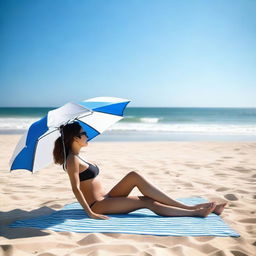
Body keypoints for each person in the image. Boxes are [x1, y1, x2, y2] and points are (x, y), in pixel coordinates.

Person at [53, 121, 227, 220]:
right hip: (98, 205)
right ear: (75, 138)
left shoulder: (79, 156)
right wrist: (90, 213)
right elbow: (75, 189)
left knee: (133, 175)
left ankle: (191, 206)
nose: (87, 135)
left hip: (106, 197)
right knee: (146, 201)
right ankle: (194, 211)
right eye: (84, 133)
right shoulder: (72, 160)